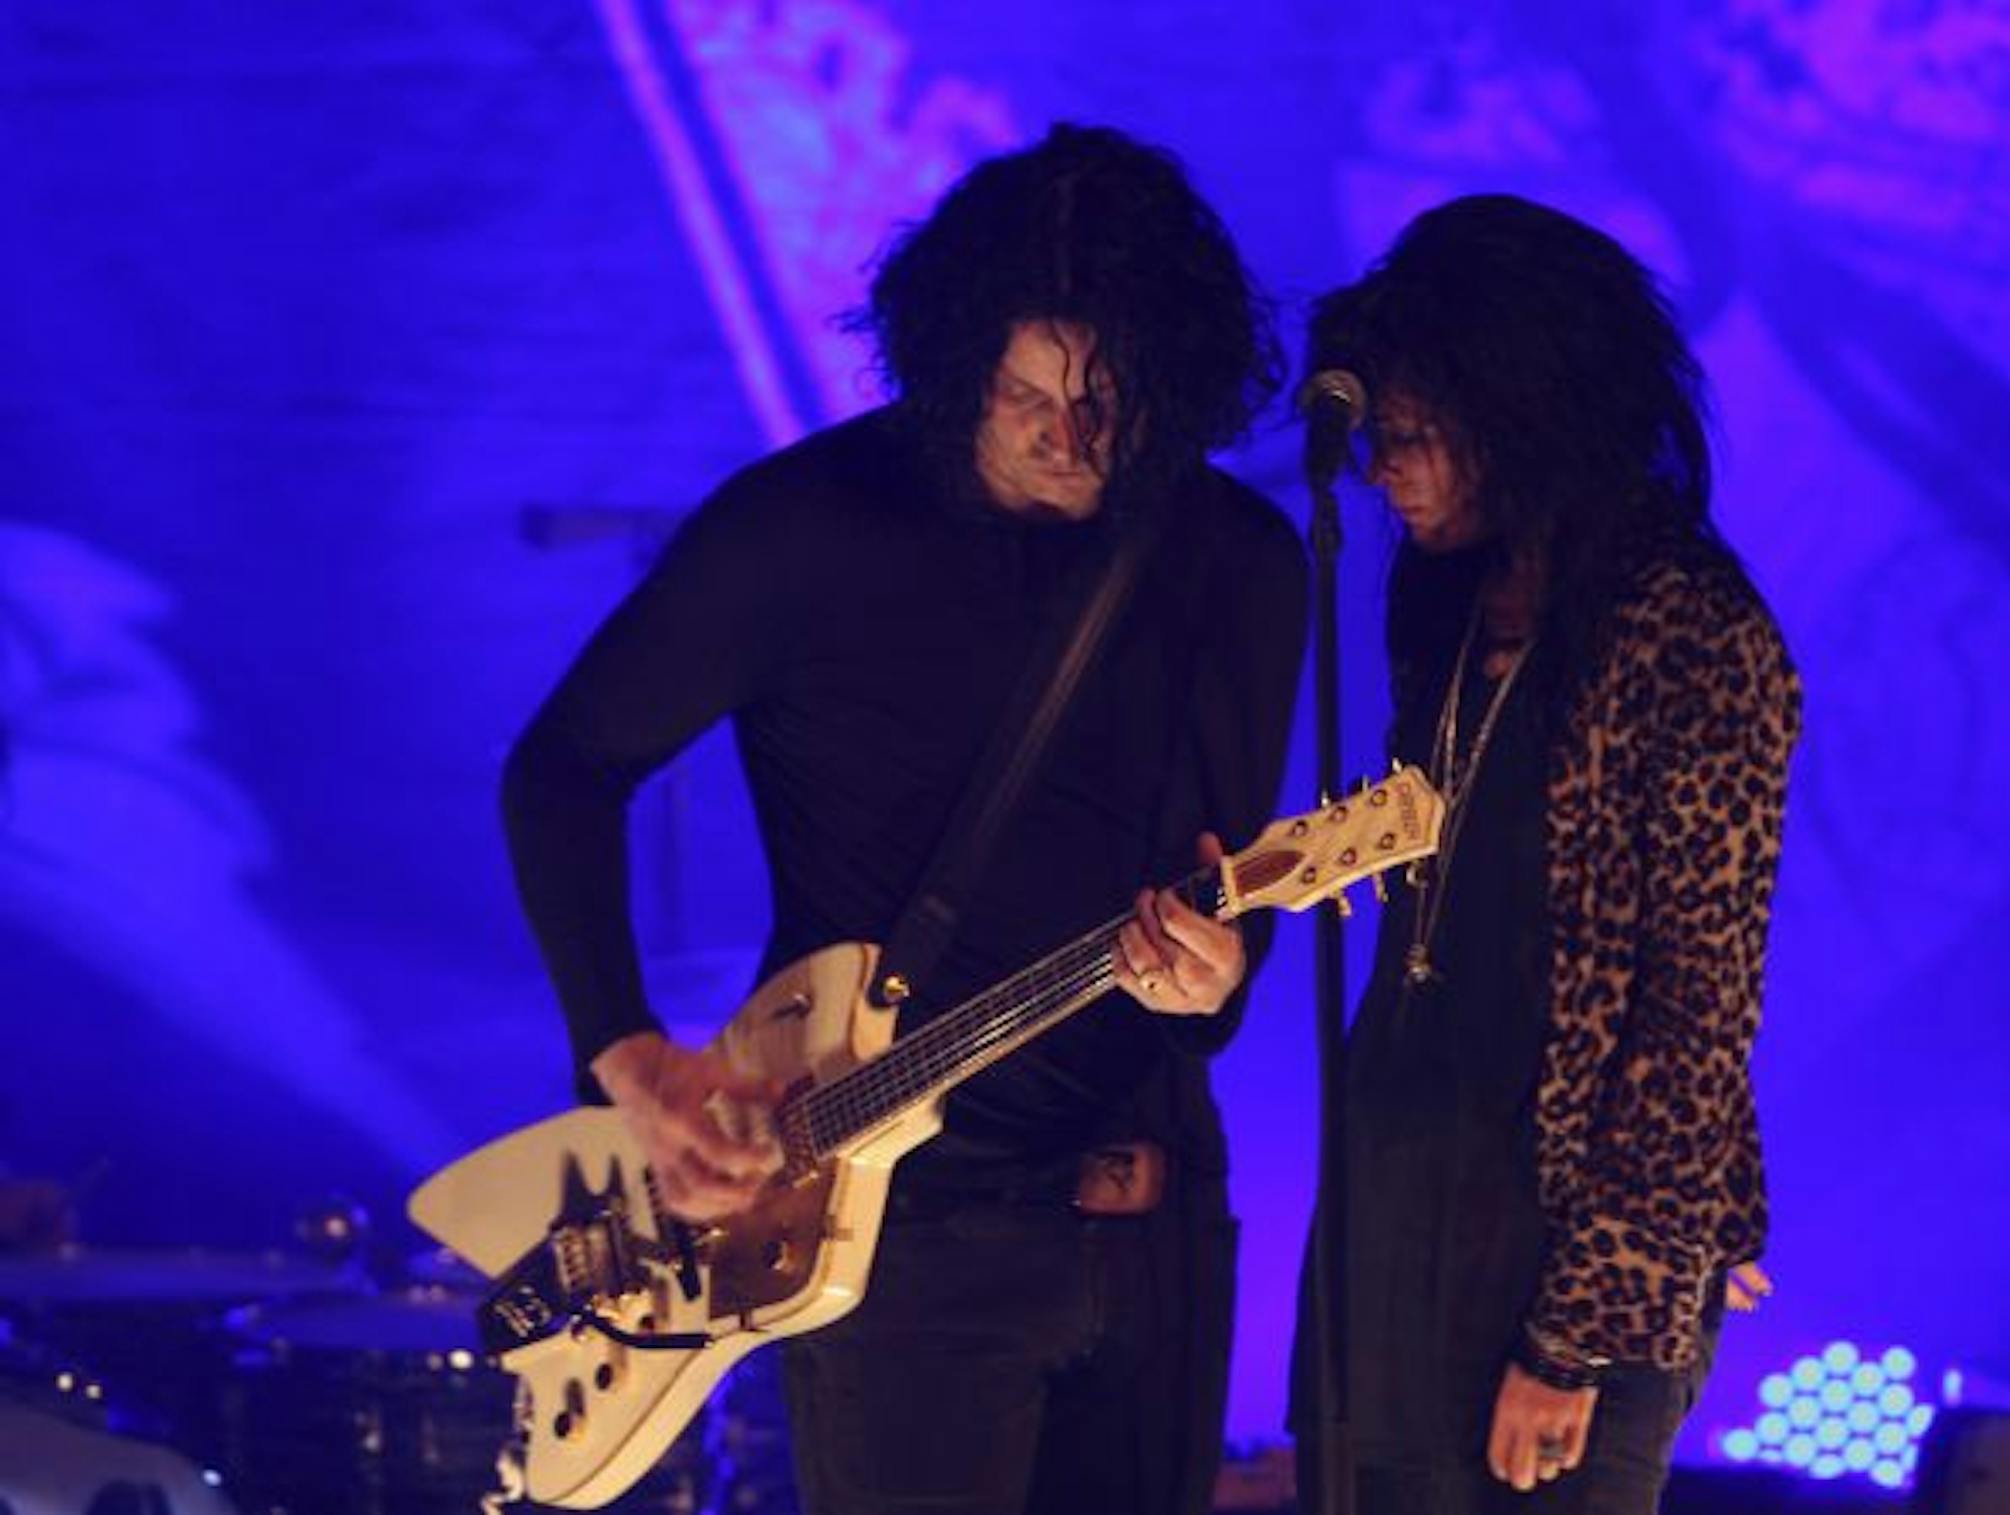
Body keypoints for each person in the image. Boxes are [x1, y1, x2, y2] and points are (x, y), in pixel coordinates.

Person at [501, 124, 1308, 1515]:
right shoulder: (808, 528)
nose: (1068, 440)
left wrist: (1216, 976)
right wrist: (624, 1051)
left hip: (1149, 1207)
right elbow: (562, 772)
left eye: (1108, 401)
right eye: (1024, 396)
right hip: (893, 1234)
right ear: (956, 365)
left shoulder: (1236, 561)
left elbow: (1223, 896)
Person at [1289, 195, 1801, 1514]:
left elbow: (1696, 1015)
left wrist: (1577, 1334)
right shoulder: (1447, 601)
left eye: (1413, 437)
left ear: (1521, 416)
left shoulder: (1690, 630)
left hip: (1555, 1249)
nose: (1383, 472)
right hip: (1394, 1199)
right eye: (1379, 437)